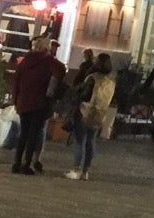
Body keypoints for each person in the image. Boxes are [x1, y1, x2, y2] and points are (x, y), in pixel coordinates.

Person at [10, 33, 65, 175]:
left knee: (23, 133)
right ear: (46, 48)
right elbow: (61, 70)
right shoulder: (49, 62)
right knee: (33, 135)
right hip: (40, 104)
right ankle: (27, 164)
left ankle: (16, 163)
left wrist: (15, 100)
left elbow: (16, 81)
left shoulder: (25, 61)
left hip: (23, 102)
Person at [66, 53, 115, 181]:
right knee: (90, 142)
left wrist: (76, 93)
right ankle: (86, 171)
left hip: (85, 111)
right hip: (99, 114)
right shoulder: (110, 81)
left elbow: (84, 94)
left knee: (80, 141)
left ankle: (76, 169)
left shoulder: (92, 78)